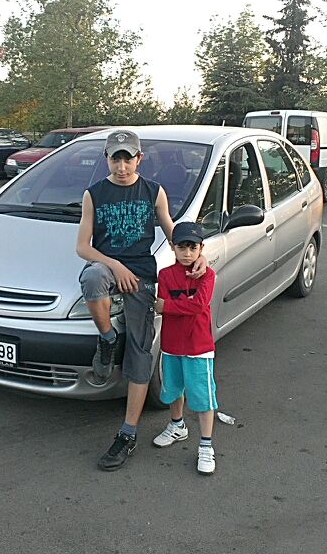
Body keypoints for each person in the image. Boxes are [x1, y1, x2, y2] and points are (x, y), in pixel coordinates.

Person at [76, 130, 207, 472]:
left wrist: (198, 255)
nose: (121, 166)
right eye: (115, 159)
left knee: (140, 351)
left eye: (128, 158)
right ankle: (107, 339)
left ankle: (128, 433)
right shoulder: (94, 194)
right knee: (92, 277)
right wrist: (115, 265)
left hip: (142, 277)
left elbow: (174, 233)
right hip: (108, 267)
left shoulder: (153, 191)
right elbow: (83, 247)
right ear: (107, 159)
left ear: (139, 159)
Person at [153, 221, 218, 475]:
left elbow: (199, 305)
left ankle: (206, 445)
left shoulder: (208, 275)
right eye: (182, 247)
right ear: (172, 247)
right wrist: (186, 304)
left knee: (203, 397)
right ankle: (177, 425)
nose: (187, 253)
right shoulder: (165, 275)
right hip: (171, 345)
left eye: (193, 247)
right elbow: (186, 305)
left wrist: (169, 306)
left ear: (201, 248)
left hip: (199, 346)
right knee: (173, 389)